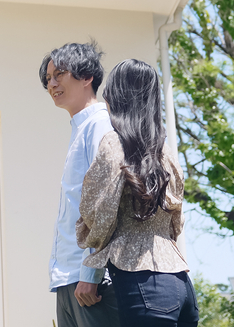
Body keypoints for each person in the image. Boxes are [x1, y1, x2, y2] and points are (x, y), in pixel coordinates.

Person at [76, 59, 198, 326]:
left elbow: (100, 213)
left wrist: (91, 255)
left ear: (114, 97)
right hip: (181, 283)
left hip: (140, 280)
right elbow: (176, 221)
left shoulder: (114, 142)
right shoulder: (165, 150)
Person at [39, 41, 120, 327]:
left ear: (87, 77)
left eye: (59, 74)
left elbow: (108, 199)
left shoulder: (99, 124)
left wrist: (90, 272)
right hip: (68, 279)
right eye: (48, 78)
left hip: (88, 282)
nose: (52, 83)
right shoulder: (79, 129)